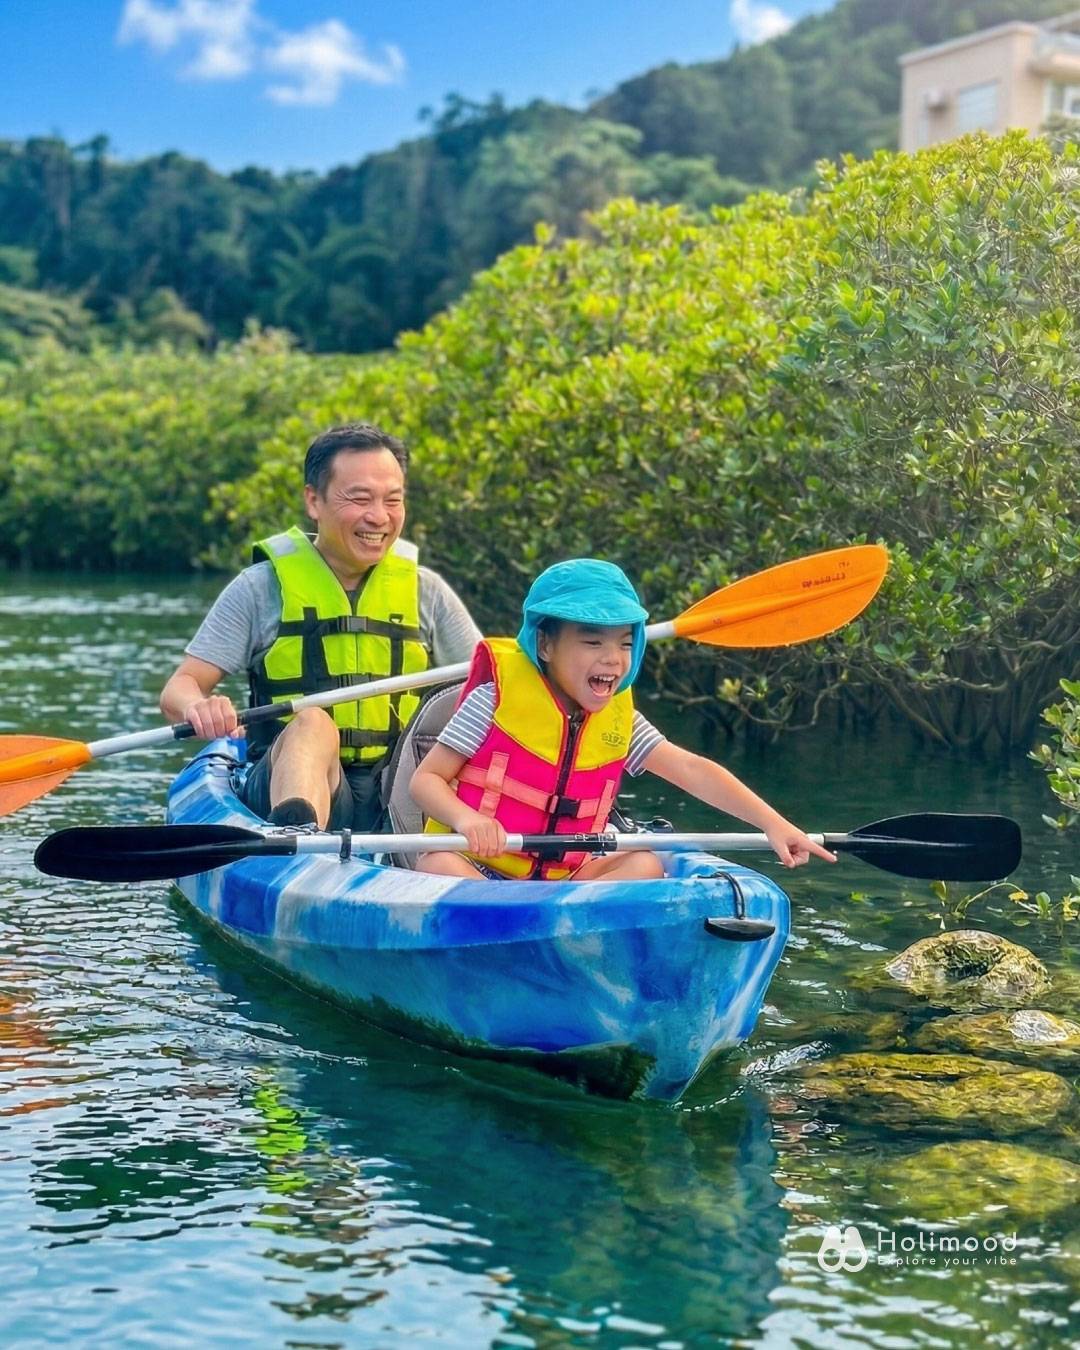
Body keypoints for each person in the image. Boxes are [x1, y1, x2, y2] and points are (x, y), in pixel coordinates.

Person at [410, 558, 837, 881]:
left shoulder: (621, 720)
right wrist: (468, 821)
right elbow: (425, 781)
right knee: (437, 863)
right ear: (545, 644)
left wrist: (772, 823)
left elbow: (691, 769)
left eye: (625, 643)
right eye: (593, 641)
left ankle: (553, 932)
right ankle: (516, 936)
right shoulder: (491, 700)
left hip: (561, 882)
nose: (612, 658)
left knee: (644, 864)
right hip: (477, 871)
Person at [160, 422, 481, 831]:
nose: (379, 517)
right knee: (312, 722)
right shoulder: (261, 589)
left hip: (403, 791)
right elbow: (179, 688)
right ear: (314, 501)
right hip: (285, 786)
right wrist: (199, 707)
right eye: (360, 498)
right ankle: (297, 836)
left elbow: (490, 688)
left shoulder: (426, 591)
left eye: (393, 500)